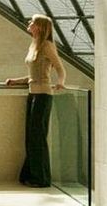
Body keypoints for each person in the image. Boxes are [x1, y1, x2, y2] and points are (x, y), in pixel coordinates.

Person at [5, 14, 66, 187]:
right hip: (33, 94)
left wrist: (60, 83)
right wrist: (16, 81)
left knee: (38, 137)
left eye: (32, 22)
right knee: (31, 137)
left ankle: (41, 179)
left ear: (39, 27)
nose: (29, 23)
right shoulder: (34, 45)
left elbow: (60, 69)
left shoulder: (46, 45)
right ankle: (31, 175)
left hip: (43, 95)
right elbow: (34, 75)